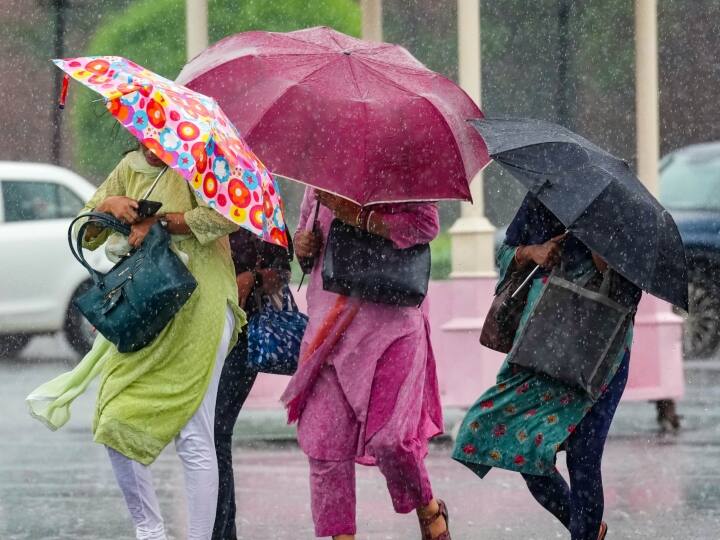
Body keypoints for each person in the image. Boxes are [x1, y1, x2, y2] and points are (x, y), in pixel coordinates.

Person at [27, 145, 243, 540]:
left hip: (204, 304)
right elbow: (86, 232)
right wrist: (110, 206)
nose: (150, 142)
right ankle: (150, 532)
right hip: (147, 306)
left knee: (194, 433)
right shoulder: (128, 166)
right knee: (113, 419)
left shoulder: (203, 162)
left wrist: (159, 223)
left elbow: (227, 215)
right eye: (145, 132)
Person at [452, 194, 642, 540]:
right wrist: (533, 252)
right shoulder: (544, 197)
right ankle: (585, 528)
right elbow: (506, 253)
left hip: (599, 355)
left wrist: (606, 260)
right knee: (524, 449)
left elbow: (632, 296)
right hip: (542, 345)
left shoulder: (620, 215)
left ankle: (583, 534)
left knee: (584, 457)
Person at [282, 188, 450, 540]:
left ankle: (429, 507)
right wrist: (302, 244)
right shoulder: (321, 176)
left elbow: (426, 225)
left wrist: (358, 217)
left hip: (392, 323)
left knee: (392, 440)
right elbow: (306, 234)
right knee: (326, 445)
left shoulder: (405, 166)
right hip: (328, 329)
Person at [212, 227, 292, 540]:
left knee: (215, 430)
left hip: (242, 334)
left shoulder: (257, 200)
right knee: (200, 435)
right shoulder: (190, 190)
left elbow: (282, 271)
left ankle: (220, 532)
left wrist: (253, 279)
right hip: (194, 334)